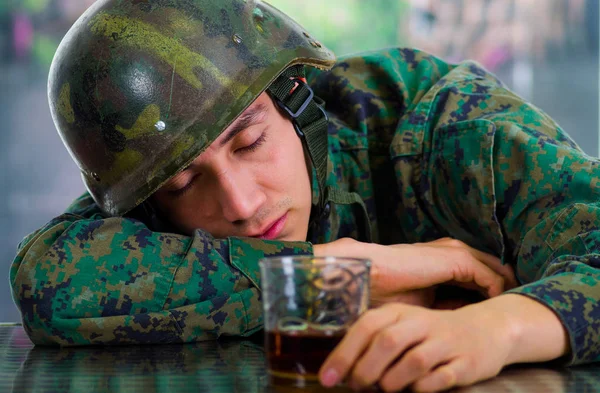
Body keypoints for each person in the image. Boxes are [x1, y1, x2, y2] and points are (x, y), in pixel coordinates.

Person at [9, 0, 600, 391]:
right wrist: (346, 271)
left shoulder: (448, 127)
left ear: (297, 101)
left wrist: (500, 328)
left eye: (250, 143)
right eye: (185, 183)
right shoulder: (147, 180)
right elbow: (51, 284)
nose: (239, 203)